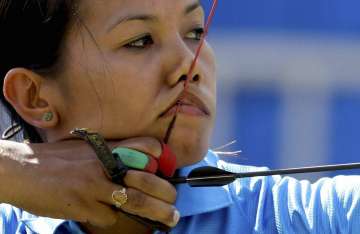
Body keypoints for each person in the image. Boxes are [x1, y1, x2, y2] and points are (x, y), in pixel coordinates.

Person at [0, 0, 359, 233]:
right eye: (140, 41)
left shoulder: (300, 217)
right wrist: (15, 169)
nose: (191, 65)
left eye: (195, 32)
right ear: (33, 96)